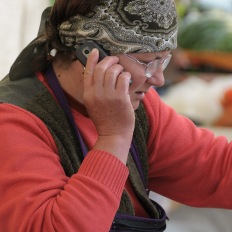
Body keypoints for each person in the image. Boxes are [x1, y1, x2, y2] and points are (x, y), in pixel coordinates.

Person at [0, 0, 231, 231]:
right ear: (91, 55)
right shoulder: (13, 122)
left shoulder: (139, 107)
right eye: (147, 62)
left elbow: (218, 168)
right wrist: (114, 137)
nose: (159, 79)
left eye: (164, 60)